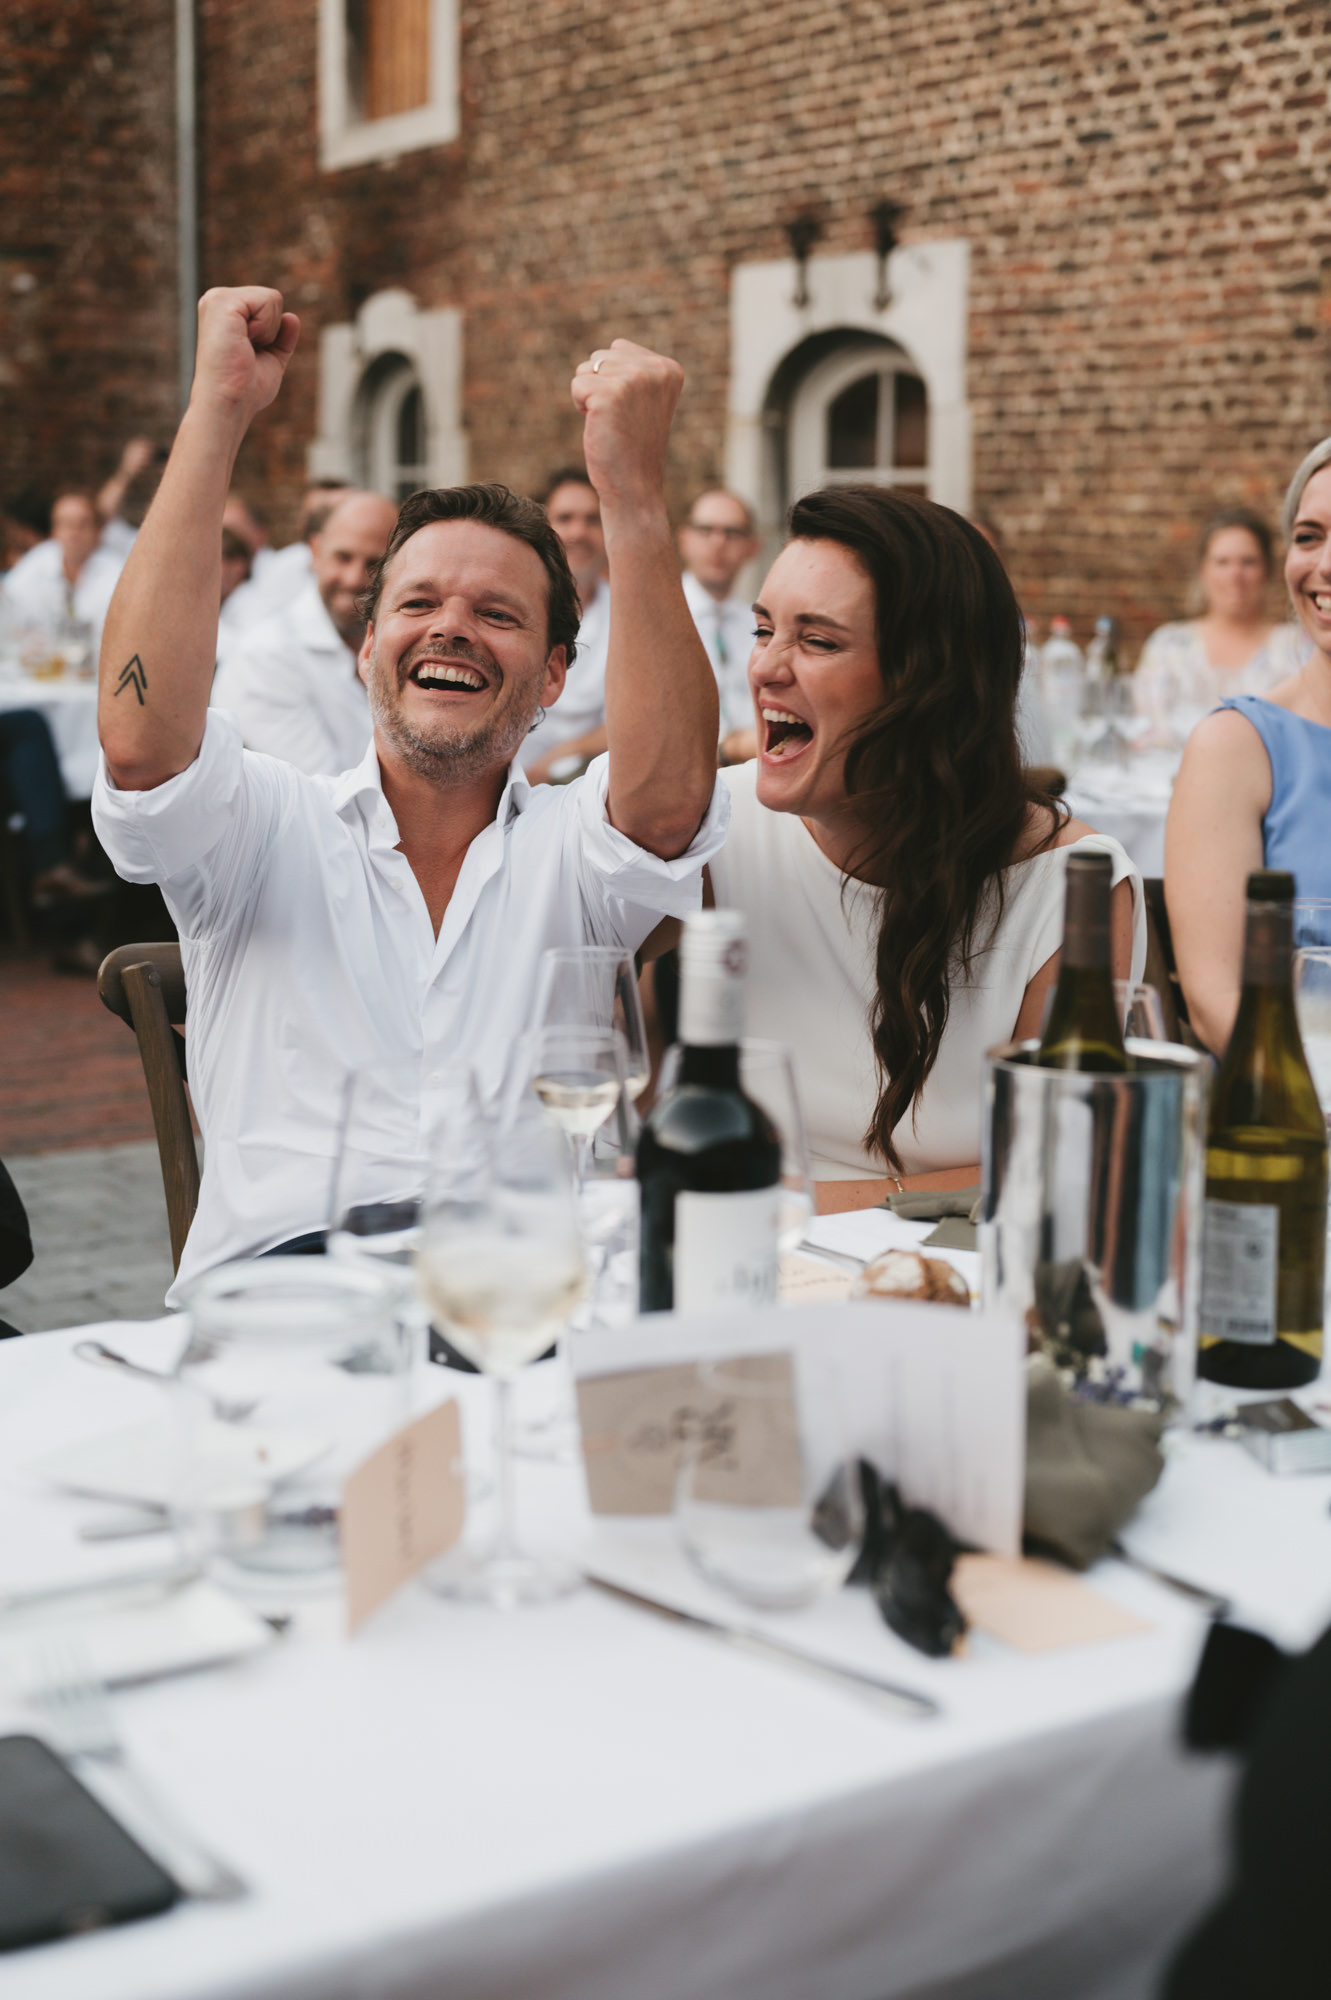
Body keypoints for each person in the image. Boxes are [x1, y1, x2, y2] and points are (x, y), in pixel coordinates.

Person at [93, 286, 722, 1299]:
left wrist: (631, 493)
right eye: (418, 601)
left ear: (555, 677)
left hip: (525, 1296)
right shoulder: (257, 825)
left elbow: (667, 799)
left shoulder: (576, 848)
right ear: (364, 652)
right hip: (293, 1302)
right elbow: (138, 740)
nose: (451, 626)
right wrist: (217, 411)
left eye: (498, 613)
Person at [698, 487, 1143, 1207]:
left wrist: (802, 1203)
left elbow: (1058, 1165)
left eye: (816, 640)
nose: (765, 669)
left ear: (927, 684)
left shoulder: (1070, 888)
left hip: (959, 1282)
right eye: (761, 630)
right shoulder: (710, 832)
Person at [1166, 445, 1331, 1052]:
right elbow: (1215, 1002)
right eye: (1309, 536)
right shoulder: (1237, 747)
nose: (1325, 564)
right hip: (1289, 1110)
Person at [210, 490, 397, 775]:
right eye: (343, 557)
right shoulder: (263, 657)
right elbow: (324, 797)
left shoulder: (397, 643)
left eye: (374, 564)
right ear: (315, 552)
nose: (354, 578)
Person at [1134, 507, 1306, 743]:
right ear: (1202, 570)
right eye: (1222, 562)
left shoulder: (1298, 648)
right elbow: (1143, 731)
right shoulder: (1168, 645)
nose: (1235, 575)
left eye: (1248, 562)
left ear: (1268, 571)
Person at [521, 467, 611, 782]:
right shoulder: (508, 608)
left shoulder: (628, 618)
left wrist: (558, 759)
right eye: (565, 518)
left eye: (592, 520)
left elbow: (640, 717)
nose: (578, 533)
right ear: (543, 529)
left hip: (591, 783)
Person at [677, 490, 761, 763]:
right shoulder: (657, 619)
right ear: (683, 539)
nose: (718, 542)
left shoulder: (759, 624)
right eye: (705, 530)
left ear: (753, 547)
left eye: (732, 532)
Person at [0, 489, 125, 660]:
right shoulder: (38, 561)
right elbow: (9, 606)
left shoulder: (116, 571)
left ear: (98, 531)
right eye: (66, 524)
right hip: (43, 670)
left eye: (82, 524)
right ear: (54, 530)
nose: (74, 532)